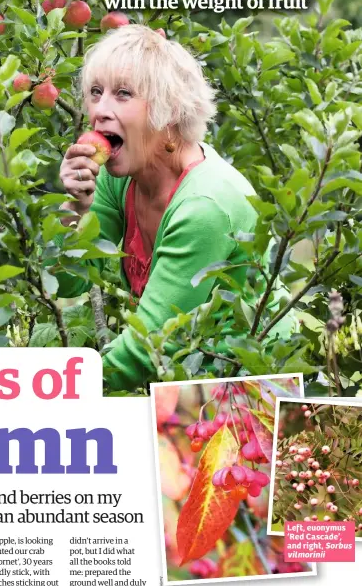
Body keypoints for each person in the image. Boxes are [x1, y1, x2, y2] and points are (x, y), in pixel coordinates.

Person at [55, 24, 263, 390]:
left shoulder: (204, 208)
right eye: (95, 92)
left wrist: (41, 390)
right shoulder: (119, 178)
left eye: (123, 94)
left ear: (169, 112)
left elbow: (145, 350)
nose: (100, 110)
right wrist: (77, 207)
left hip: (250, 385)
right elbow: (68, 281)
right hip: (188, 386)